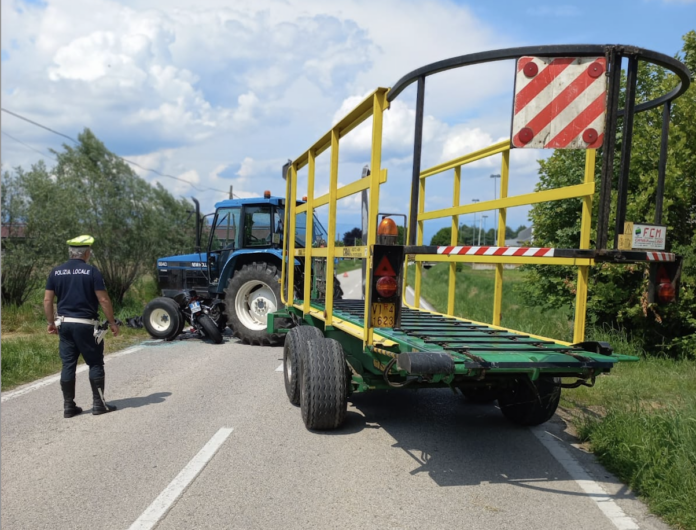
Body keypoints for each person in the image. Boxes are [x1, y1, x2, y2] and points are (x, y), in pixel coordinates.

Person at [44, 235, 120, 417]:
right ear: (86, 253)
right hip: (86, 325)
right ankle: (99, 404)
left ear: (71, 253)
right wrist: (112, 322)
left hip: (65, 324)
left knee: (68, 364)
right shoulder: (91, 271)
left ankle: (69, 406)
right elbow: (103, 299)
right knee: (94, 362)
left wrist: (50, 323)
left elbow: (47, 299)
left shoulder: (56, 272)